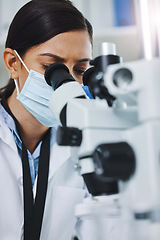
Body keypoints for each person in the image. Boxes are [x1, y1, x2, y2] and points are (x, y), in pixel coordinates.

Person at [0, 0, 93, 239]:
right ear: (13, 63)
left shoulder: (87, 140)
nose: (68, 84)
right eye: (52, 68)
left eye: (80, 71)